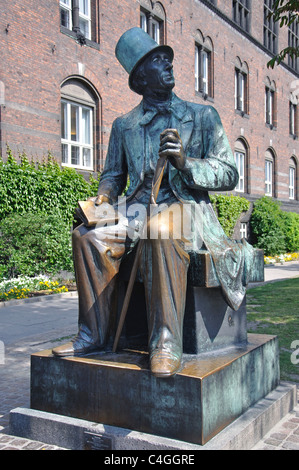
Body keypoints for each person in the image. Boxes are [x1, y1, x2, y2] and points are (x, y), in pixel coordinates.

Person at [52, 27, 253, 377]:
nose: (169, 65)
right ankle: (94, 335)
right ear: (141, 76)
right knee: (88, 237)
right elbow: (113, 175)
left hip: (185, 209)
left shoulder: (202, 117)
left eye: (169, 59)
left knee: (161, 228)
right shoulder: (124, 125)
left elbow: (228, 173)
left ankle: (165, 341)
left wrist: (185, 163)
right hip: (135, 208)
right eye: (159, 60)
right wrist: (104, 197)